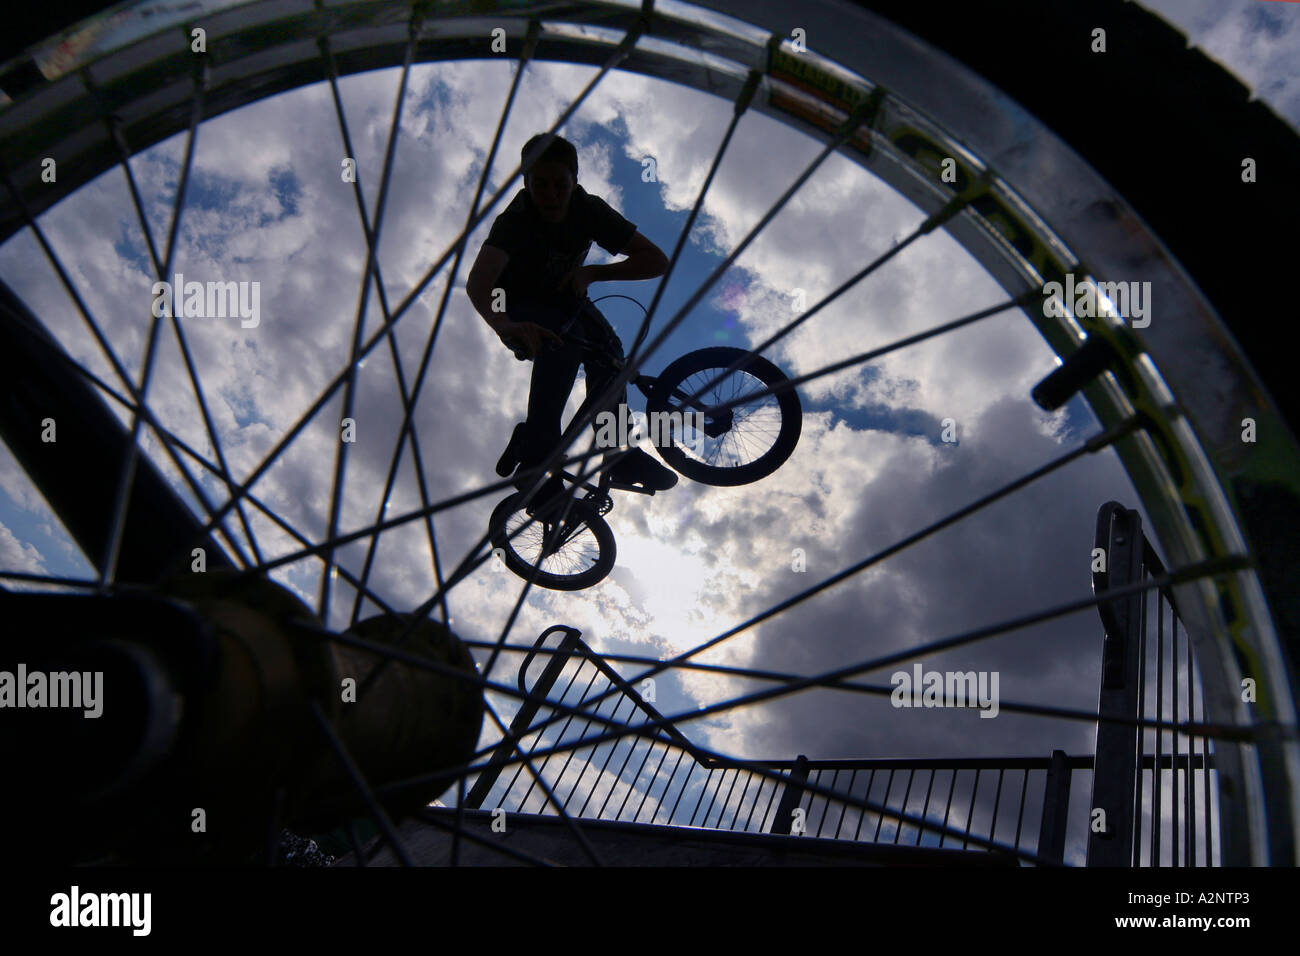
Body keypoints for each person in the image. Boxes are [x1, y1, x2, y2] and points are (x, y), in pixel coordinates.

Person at [466, 133, 679, 514]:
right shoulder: (515, 221)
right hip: (518, 306)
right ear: (526, 184)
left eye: (559, 184)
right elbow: (480, 282)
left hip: (567, 300)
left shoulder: (589, 210)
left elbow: (656, 260)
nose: (550, 195)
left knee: (611, 355)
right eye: (539, 185)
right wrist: (503, 325)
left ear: (574, 181)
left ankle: (614, 453)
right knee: (561, 344)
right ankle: (534, 462)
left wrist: (593, 273)